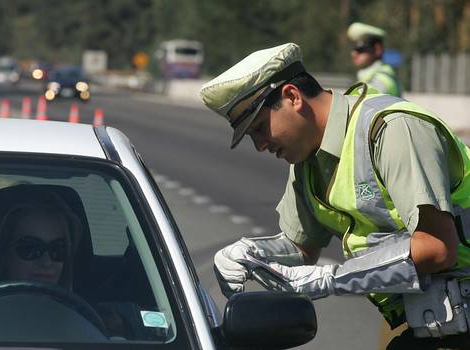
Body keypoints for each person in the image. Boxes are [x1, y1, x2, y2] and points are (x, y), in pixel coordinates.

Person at [200, 42, 470, 349]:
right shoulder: (305, 159)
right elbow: (301, 248)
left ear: (292, 96)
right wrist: (251, 254)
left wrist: (330, 278)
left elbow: (436, 247)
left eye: (260, 128)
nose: (260, 145)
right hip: (436, 321)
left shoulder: (391, 129)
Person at [0, 185, 82, 290]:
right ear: (3, 254)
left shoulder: (79, 306)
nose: (47, 262)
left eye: (58, 249)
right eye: (30, 248)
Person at [347, 22, 402, 97]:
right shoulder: (368, 78)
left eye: (360, 49)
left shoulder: (381, 81)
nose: (353, 54)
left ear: (377, 49)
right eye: (353, 49)